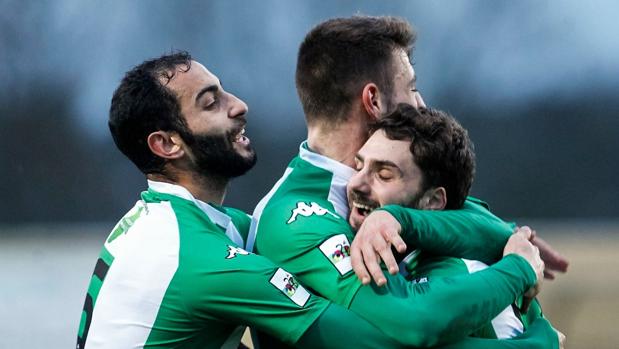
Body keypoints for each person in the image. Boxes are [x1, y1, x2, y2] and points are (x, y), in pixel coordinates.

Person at [251, 15, 565, 348]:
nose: (421, 104)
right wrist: (526, 302)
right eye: (412, 87)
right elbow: (412, 326)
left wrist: (513, 238)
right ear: (373, 101)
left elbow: (474, 220)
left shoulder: (391, 187)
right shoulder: (298, 217)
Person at [76, 51, 420, 349]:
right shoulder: (196, 257)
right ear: (167, 144)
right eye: (211, 102)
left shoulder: (162, 223)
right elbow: (385, 339)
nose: (239, 105)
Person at [347, 103, 559, 340]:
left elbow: (419, 325)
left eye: (384, 175)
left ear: (434, 201)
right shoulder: (410, 255)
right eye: (358, 166)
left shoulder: (467, 274)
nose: (356, 183)